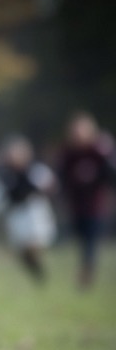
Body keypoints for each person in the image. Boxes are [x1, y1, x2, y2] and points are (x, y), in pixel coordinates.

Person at [0, 135, 57, 283]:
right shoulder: (2, 174)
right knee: (22, 250)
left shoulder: (34, 169)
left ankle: (37, 265)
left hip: (34, 209)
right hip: (15, 213)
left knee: (34, 243)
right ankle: (36, 272)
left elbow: (49, 184)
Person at [57, 111, 116, 290]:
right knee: (81, 238)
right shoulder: (69, 153)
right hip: (76, 204)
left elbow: (110, 174)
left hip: (95, 205)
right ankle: (86, 267)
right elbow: (62, 176)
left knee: (91, 239)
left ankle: (87, 271)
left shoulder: (99, 151)